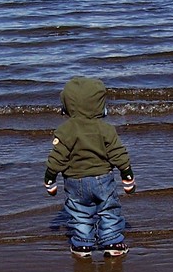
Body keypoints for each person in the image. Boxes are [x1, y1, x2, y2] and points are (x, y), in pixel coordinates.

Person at [44, 76, 135, 258]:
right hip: (103, 179)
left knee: (80, 213)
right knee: (108, 209)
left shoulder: (65, 130)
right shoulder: (105, 129)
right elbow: (118, 153)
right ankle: (112, 242)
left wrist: (50, 178)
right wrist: (127, 174)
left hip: (74, 181)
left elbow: (57, 157)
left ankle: (82, 245)